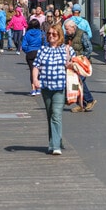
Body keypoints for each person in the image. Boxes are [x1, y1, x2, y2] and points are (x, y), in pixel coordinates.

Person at [32, 23, 76, 155]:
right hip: (45, 87)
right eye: (49, 34)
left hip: (60, 87)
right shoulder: (43, 49)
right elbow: (36, 66)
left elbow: (76, 64)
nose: (51, 36)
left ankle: (55, 145)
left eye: (54, 34)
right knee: (50, 115)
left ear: (59, 36)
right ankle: (56, 141)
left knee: (56, 114)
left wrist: (70, 64)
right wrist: (35, 80)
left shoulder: (66, 49)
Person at [64, 19, 96, 112]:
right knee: (75, 83)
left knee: (79, 82)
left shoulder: (82, 34)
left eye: (67, 29)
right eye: (65, 29)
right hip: (71, 64)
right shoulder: (68, 36)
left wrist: (80, 58)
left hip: (81, 64)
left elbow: (89, 48)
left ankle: (90, 100)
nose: (66, 31)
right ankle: (81, 104)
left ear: (73, 28)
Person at [22, 18, 44, 95]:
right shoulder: (41, 33)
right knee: (40, 71)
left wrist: (28, 50)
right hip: (39, 53)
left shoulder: (27, 33)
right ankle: (38, 88)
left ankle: (33, 88)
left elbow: (23, 45)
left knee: (32, 71)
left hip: (30, 53)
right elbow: (44, 43)